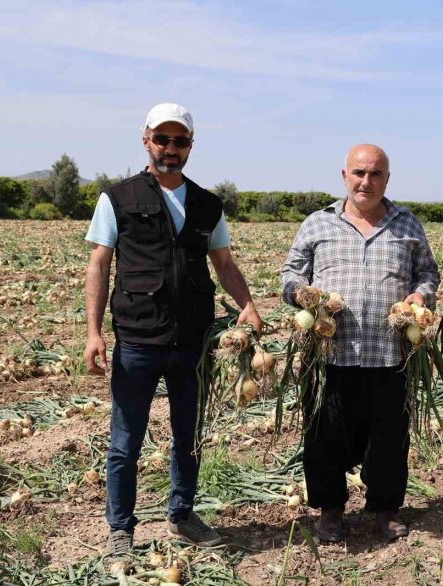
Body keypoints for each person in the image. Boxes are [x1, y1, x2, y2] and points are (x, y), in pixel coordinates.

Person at [83, 103, 263, 564]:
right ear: (146, 141)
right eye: (162, 139)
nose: (170, 148)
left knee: (189, 437)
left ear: (190, 146)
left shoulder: (207, 204)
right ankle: (120, 528)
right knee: (126, 442)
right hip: (138, 340)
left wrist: (247, 304)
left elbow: (224, 262)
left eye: (179, 141)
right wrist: (93, 332)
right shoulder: (118, 198)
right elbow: (99, 264)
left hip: (192, 343)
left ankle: (182, 515)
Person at [280, 144, 438, 542]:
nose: (366, 181)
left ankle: (384, 510)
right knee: (325, 435)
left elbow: (428, 274)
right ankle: (330, 510)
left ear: (387, 178)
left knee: (389, 437)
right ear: (345, 176)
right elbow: (290, 274)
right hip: (330, 353)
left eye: (375, 174)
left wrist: (420, 295)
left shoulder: (407, 224)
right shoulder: (318, 223)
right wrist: (302, 294)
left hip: (391, 353)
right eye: (359, 173)